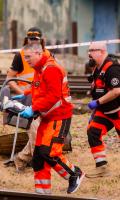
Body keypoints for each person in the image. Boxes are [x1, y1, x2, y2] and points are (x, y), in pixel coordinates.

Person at [19, 43, 84, 194]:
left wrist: (33, 108)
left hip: (59, 117)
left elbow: (53, 97)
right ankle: (42, 193)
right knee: (39, 158)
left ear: (38, 53)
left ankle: (74, 174)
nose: (26, 60)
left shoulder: (51, 69)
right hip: (48, 117)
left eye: (28, 57)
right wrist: (26, 94)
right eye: (25, 57)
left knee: (49, 153)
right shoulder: (40, 68)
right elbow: (39, 87)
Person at [4, 27, 51, 172]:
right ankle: (27, 158)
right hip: (28, 97)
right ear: (27, 39)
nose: (33, 42)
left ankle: (25, 158)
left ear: (41, 40)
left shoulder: (48, 55)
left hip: (42, 96)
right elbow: (9, 79)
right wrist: (23, 93)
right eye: (31, 39)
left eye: (36, 39)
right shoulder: (20, 55)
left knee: (38, 129)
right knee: (35, 129)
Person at [85, 42, 120, 178]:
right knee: (93, 132)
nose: (89, 54)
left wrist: (97, 102)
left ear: (101, 51)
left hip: (117, 110)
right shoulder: (97, 67)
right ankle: (102, 167)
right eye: (89, 50)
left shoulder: (112, 68)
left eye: (92, 50)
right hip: (105, 111)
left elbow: (116, 91)